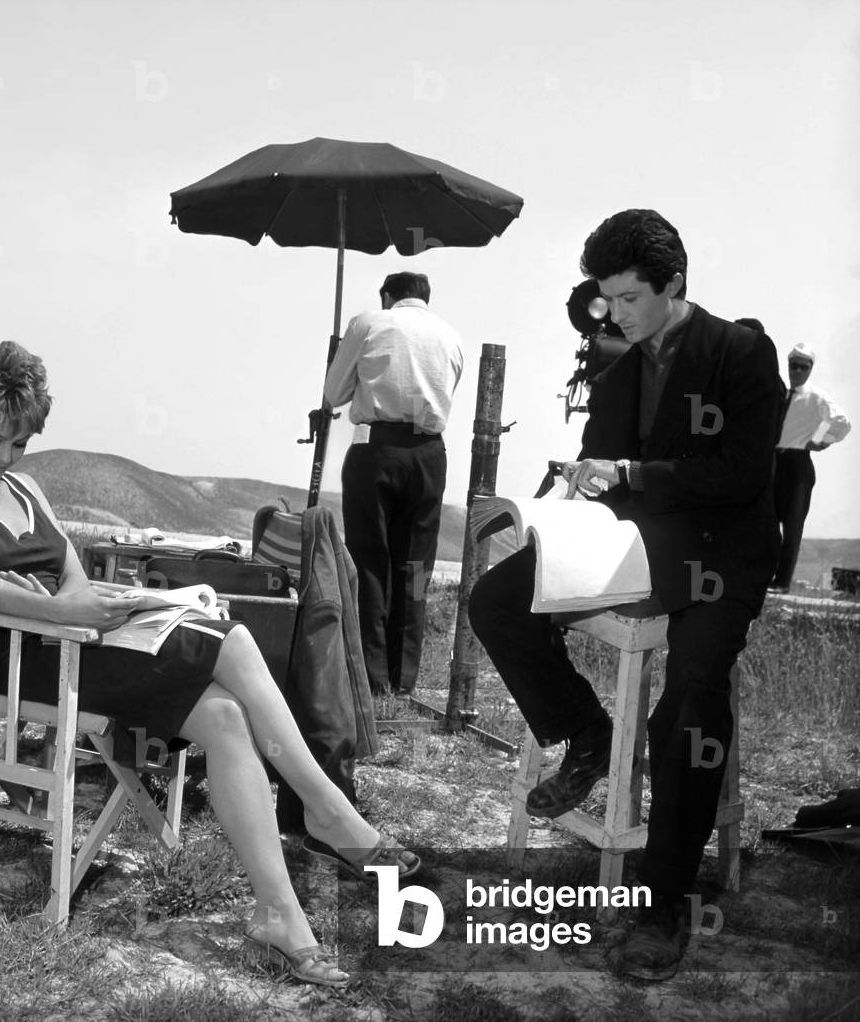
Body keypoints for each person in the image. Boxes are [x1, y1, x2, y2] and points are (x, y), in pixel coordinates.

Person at [0, 341, 421, 988]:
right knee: (228, 640)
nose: (6, 456)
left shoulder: (23, 486)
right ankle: (326, 809)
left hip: (79, 641)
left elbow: (70, 570)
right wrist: (64, 615)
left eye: (19, 444)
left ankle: (279, 914)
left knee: (226, 717)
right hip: (25, 661)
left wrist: (88, 604)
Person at [468, 210, 782, 981]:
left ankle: (664, 898)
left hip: (721, 554)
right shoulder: (615, 360)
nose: (616, 313)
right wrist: (557, 504)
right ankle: (586, 732)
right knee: (496, 601)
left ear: (675, 284)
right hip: (635, 546)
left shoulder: (742, 350)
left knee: (690, 696)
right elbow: (600, 468)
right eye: (606, 298)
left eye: (630, 298)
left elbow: (743, 475)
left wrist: (634, 476)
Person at [324, 272, 463, 696]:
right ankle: (405, 678)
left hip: (377, 449)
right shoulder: (450, 336)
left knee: (370, 562)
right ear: (425, 297)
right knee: (417, 565)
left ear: (388, 296)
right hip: (428, 454)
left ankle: (372, 675)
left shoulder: (369, 323)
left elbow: (334, 393)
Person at [767, 342, 851, 592]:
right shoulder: (779, 393)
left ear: (810, 369)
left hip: (797, 464)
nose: (798, 371)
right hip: (773, 463)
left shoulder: (816, 397)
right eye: (794, 365)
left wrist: (822, 440)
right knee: (767, 524)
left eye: (804, 367)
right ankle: (764, 576)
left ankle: (782, 583)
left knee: (792, 527)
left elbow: (841, 422)